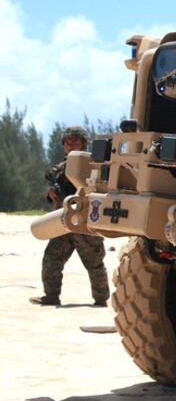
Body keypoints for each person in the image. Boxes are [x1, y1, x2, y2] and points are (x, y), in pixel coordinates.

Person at [29, 126, 110, 307]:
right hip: (64, 221)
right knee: (51, 259)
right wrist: (51, 193)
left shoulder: (93, 165)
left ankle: (101, 299)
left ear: (84, 144)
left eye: (76, 142)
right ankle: (51, 296)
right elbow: (55, 189)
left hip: (85, 221)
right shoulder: (60, 169)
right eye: (68, 142)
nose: (71, 146)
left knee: (94, 263)